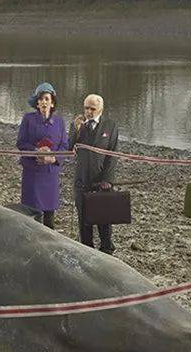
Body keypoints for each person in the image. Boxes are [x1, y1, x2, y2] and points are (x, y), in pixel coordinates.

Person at [69, 93, 119, 253]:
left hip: (101, 181)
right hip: (82, 180)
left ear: (100, 109)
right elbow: (69, 149)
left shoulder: (110, 126)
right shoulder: (78, 125)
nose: (88, 112)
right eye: (86, 108)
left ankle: (107, 250)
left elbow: (112, 155)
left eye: (92, 108)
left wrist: (108, 179)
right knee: (84, 221)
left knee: (104, 221)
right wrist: (75, 130)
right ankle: (86, 250)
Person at [17, 82, 68, 228]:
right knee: (31, 214)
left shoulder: (60, 122)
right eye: (40, 99)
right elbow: (21, 143)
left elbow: (64, 145)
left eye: (46, 99)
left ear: (52, 103)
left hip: (50, 173)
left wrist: (54, 158)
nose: (43, 102)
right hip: (32, 172)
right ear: (37, 103)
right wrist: (35, 152)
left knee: (49, 215)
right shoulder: (28, 119)